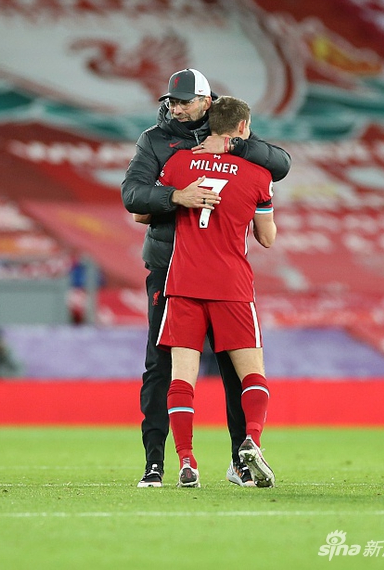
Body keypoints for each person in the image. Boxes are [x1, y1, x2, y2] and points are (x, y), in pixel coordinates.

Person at [121, 68, 290, 488]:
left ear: (207, 102)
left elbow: (282, 163)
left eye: (184, 101)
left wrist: (234, 144)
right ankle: (155, 462)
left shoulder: (217, 146)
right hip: (170, 266)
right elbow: (132, 196)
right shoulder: (156, 140)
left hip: (198, 270)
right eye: (172, 101)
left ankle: (236, 461)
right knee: (159, 366)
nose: (175, 108)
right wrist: (176, 196)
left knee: (221, 370)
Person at [155, 95, 277, 488]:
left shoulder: (179, 163)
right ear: (243, 128)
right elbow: (267, 238)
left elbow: (143, 211)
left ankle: (187, 461)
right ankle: (251, 445)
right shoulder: (259, 175)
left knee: (182, 379)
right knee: (252, 376)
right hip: (232, 286)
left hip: (185, 282)